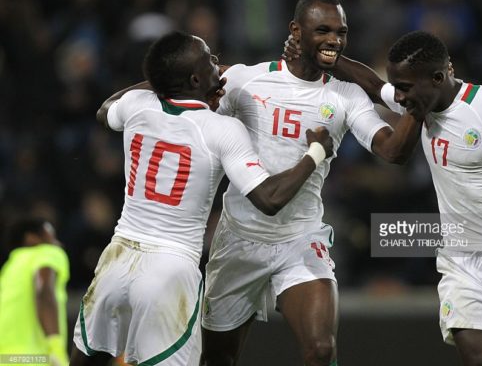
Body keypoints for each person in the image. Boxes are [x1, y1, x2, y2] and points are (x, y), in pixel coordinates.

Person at [69, 31, 334, 366]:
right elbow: (269, 199)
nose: (217, 62)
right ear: (195, 78)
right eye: (209, 58)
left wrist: (161, 83)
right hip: (171, 269)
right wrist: (315, 152)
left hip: (117, 258)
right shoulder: (219, 129)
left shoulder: (137, 107)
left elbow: (105, 109)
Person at [326, 30, 482, 366]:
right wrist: (332, 59)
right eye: (396, 86)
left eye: (405, 87)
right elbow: (370, 83)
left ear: (439, 77)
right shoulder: (418, 98)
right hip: (462, 266)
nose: (398, 97)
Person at [202, 0, 421, 366]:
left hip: (300, 239)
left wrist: (419, 105)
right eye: (323, 30)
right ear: (295, 30)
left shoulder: (346, 95)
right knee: (218, 360)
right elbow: (188, 104)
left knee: (321, 349)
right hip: (239, 239)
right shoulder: (245, 81)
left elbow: (393, 152)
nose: (334, 38)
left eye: (341, 32)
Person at [0, 217, 70, 366]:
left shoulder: (9, 268)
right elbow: (43, 291)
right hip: (35, 358)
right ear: (31, 238)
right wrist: (56, 347)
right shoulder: (47, 252)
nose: (58, 243)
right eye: (51, 236)